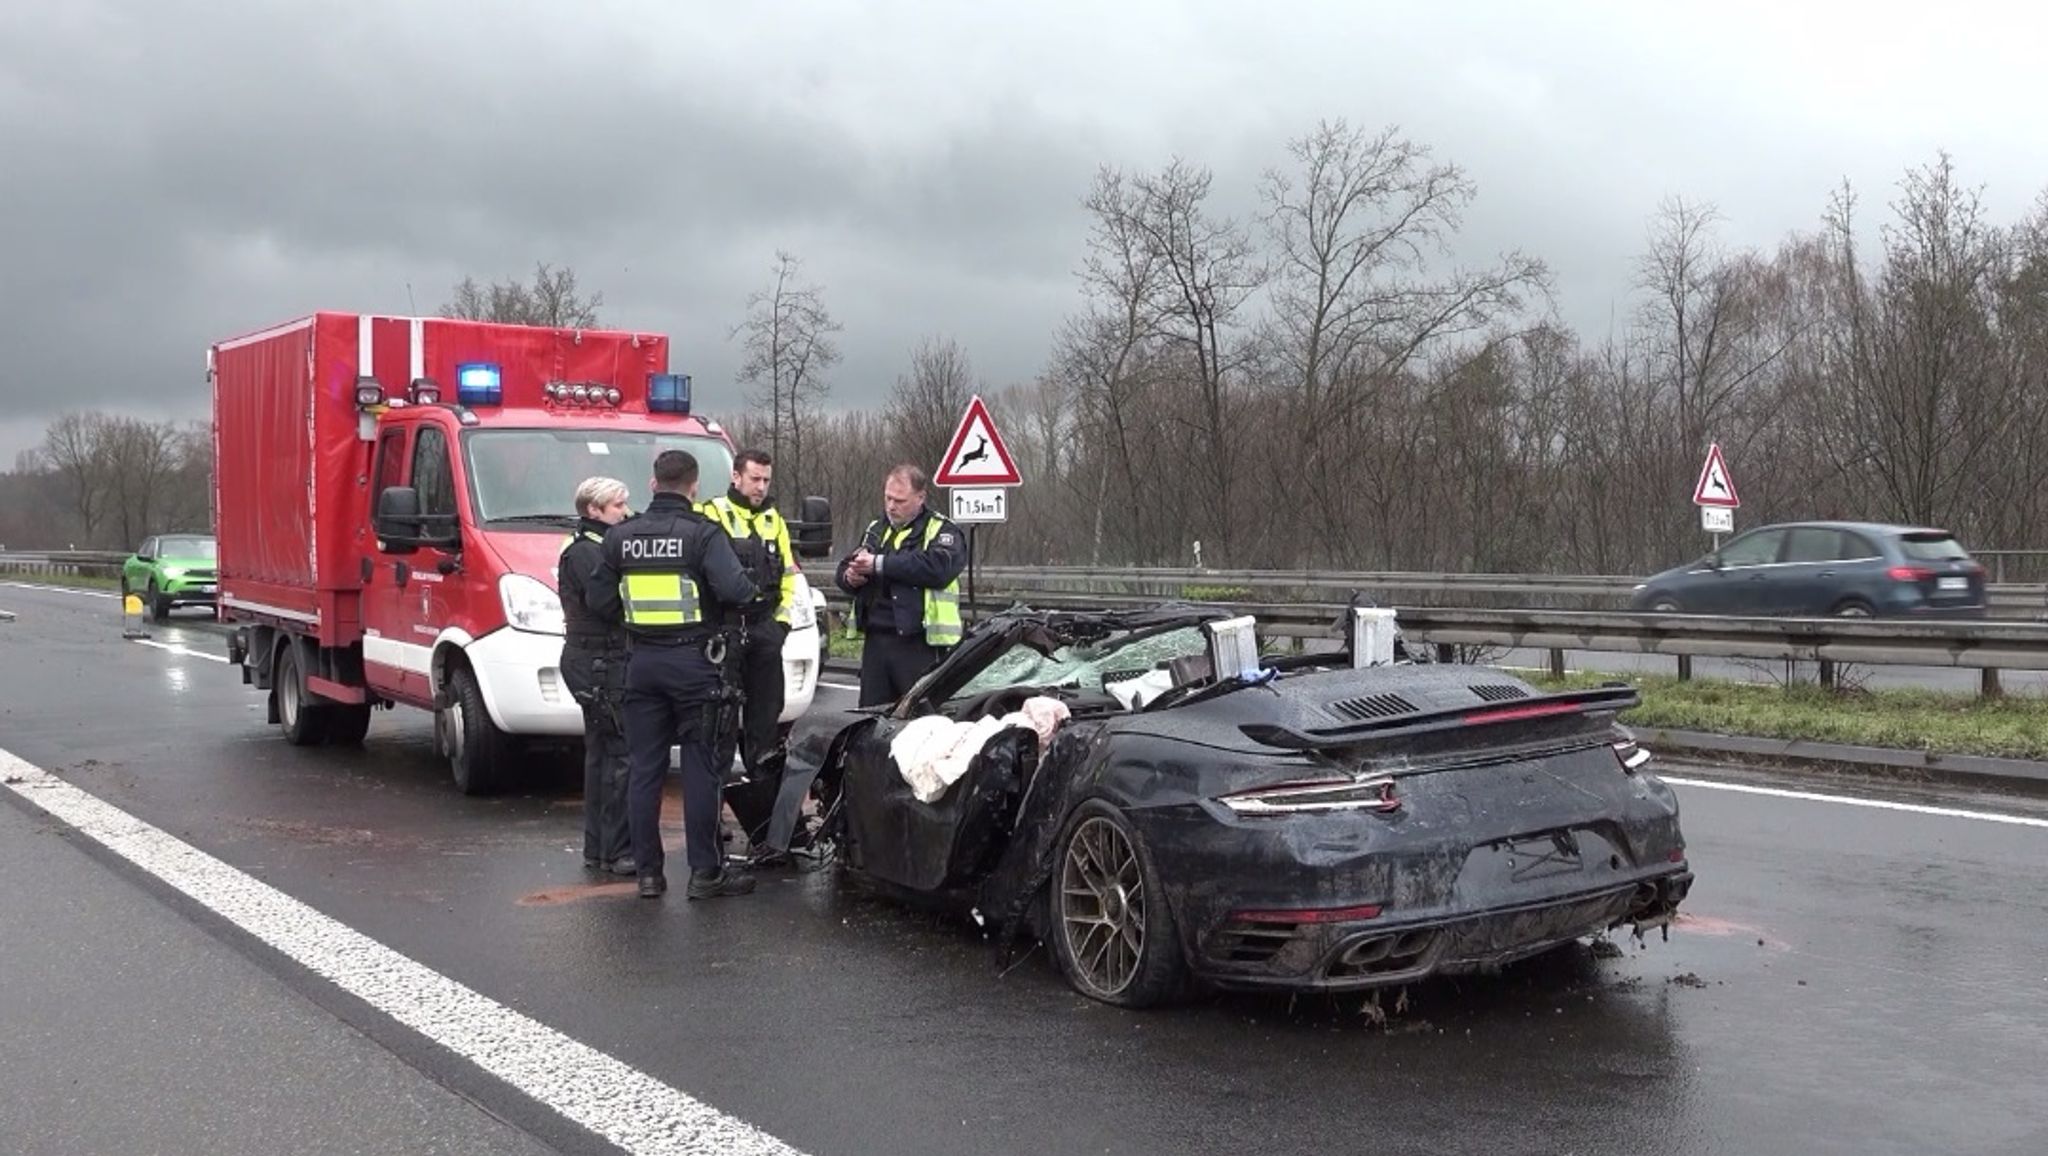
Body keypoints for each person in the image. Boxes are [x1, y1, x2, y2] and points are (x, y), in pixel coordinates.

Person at [590, 449, 760, 900]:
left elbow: (599, 601)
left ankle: (649, 875)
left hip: (640, 664)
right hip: (695, 665)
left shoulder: (620, 537)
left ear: (652, 484)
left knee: (645, 769)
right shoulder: (702, 535)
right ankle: (705, 874)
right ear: (693, 486)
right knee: (701, 769)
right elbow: (737, 591)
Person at [697, 449, 801, 856]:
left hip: (763, 632)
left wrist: (782, 625)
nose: (760, 488)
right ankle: (711, 819)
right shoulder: (712, 514)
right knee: (720, 727)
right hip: (724, 632)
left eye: (766, 481)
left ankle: (767, 825)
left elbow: (791, 577)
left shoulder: (776, 522)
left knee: (765, 730)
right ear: (736, 477)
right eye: (754, 479)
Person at [835, 463, 967, 707]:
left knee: (918, 721)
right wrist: (850, 577)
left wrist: (879, 564)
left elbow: (937, 568)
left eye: (900, 500)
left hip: (919, 644)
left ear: (920, 498)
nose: (891, 506)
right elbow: (846, 565)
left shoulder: (941, 530)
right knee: (870, 720)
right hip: (876, 642)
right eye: (888, 498)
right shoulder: (876, 528)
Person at [557, 475, 635, 877]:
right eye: (619, 505)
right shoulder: (589, 553)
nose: (627, 511)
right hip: (599, 662)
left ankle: (601, 850)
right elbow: (606, 603)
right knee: (616, 758)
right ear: (594, 510)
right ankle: (616, 851)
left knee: (605, 755)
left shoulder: (590, 547)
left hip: (596, 660)